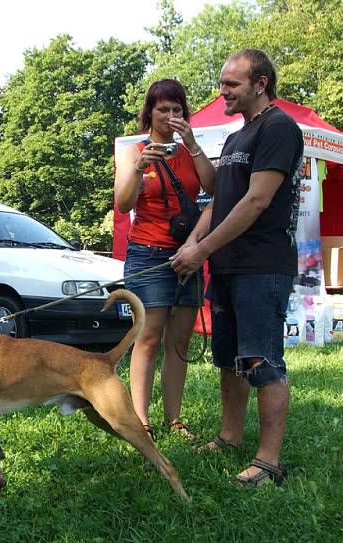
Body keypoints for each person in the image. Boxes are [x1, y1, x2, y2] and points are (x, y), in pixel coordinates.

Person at [172, 49, 303, 486]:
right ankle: (230, 437)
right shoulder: (234, 138)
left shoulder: (279, 128)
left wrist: (202, 249)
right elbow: (219, 196)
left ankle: (268, 463)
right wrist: (192, 244)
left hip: (262, 265)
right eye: (223, 82)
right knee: (229, 359)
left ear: (260, 83)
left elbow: (257, 200)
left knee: (261, 360)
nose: (222, 91)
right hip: (227, 266)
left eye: (231, 84)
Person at [114, 79, 216, 440]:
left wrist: (193, 145)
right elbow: (124, 204)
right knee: (148, 338)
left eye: (177, 110)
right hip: (148, 255)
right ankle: (141, 421)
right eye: (164, 110)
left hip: (186, 253)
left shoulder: (188, 151)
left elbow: (215, 189)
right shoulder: (134, 152)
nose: (171, 116)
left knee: (180, 342)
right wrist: (140, 166)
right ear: (150, 113)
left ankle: (174, 418)